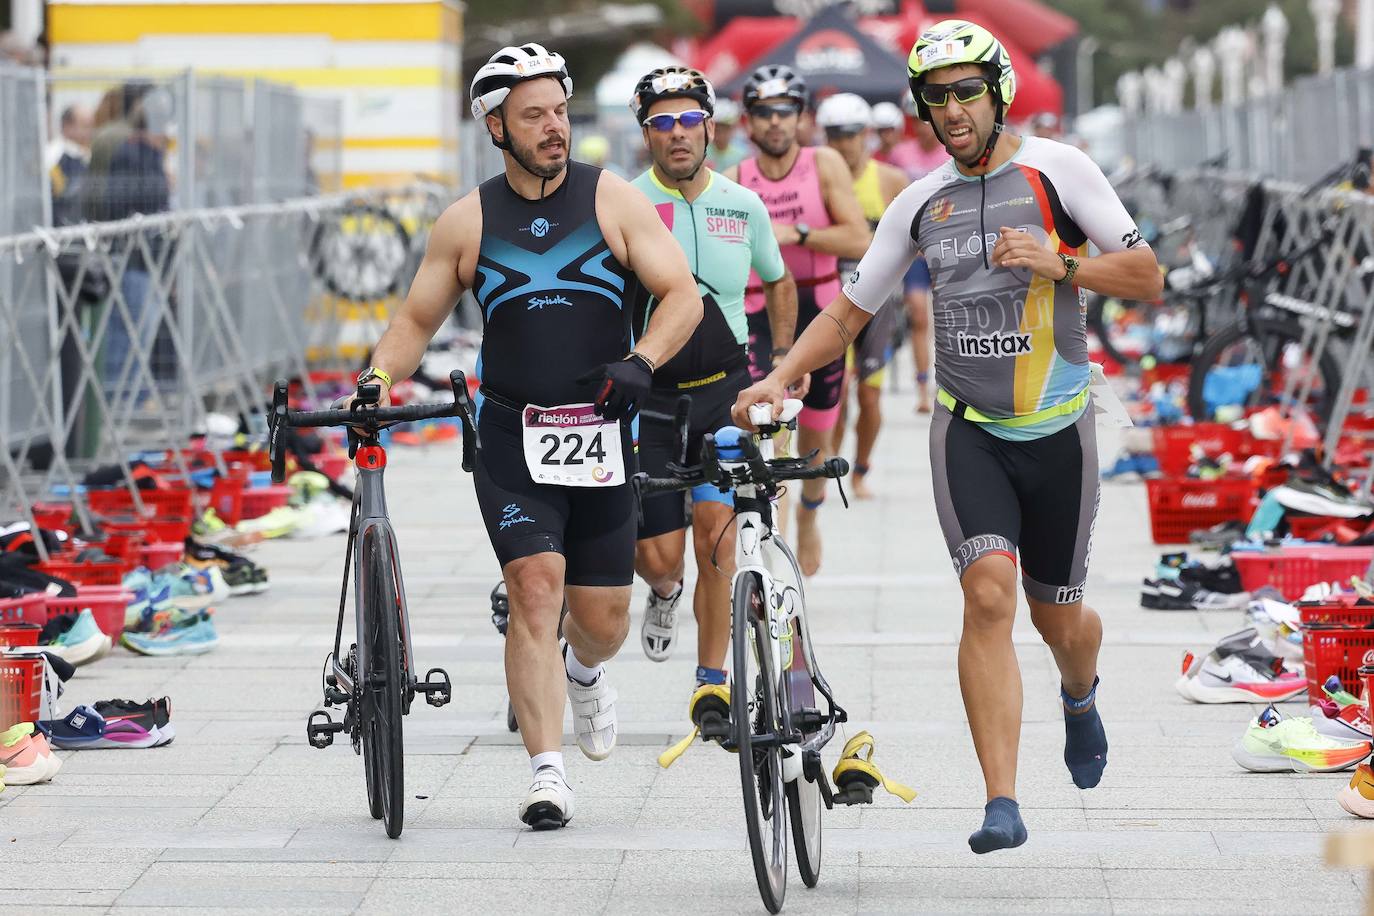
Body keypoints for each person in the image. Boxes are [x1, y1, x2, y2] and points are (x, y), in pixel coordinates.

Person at [733, 20, 1162, 853]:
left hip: (1060, 432)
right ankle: (1002, 800)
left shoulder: (1058, 171)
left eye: (968, 91)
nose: (953, 108)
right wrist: (781, 376)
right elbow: (849, 311)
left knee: (1061, 620)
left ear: (998, 92)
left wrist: (1061, 263)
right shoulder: (916, 202)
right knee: (988, 594)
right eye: (937, 96)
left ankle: (1080, 696)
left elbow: (1147, 276)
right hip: (967, 431)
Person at [354, 43, 703, 830]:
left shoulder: (611, 198)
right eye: (533, 116)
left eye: (558, 112)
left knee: (604, 618)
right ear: (496, 128)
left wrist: (643, 360)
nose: (554, 129)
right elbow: (415, 320)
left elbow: (681, 295)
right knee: (533, 592)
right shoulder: (468, 220)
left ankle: (584, 673)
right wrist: (376, 380)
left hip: (605, 434)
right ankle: (548, 773)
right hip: (513, 437)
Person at [625, 67, 798, 705]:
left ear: (711, 128)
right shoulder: (628, 204)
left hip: (725, 391)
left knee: (716, 537)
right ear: (646, 135)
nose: (677, 134)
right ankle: (665, 596)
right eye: (662, 123)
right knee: (662, 560)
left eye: (689, 121)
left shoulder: (742, 202)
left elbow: (779, 279)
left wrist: (781, 357)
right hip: (654, 398)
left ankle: (712, 685)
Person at [723, 64, 869, 576]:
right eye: (764, 113)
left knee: (817, 437)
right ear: (748, 122)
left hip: (823, 307)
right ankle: (772, 531)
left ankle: (809, 515)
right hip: (763, 312)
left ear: (802, 118)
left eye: (785, 112)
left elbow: (859, 240)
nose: (775, 123)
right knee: (770, 424)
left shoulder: (822, 163)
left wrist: (797, 234)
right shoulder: (738, 177)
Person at [815, 93, 906, 500]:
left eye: (850, 134)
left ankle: (861, 472)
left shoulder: (889, 179)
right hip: (833, 297)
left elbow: (918, 238)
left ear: (865, 135)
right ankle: (832, 463)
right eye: (834, 134)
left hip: (879, 302)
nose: (842, 143)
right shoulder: (817, 177)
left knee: (870, 395)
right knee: (838, 389)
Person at [47, 104, 94, 226]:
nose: (90, 130)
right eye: (85, 125)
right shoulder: (54, 156)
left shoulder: (86, 153)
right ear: (67, 126)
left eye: (91, 125)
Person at [704, 98, 749, 172]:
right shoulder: (703, 153)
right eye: (716, 130)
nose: (720, 135)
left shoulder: (742, 155)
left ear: (732, 129)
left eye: (724, 130)